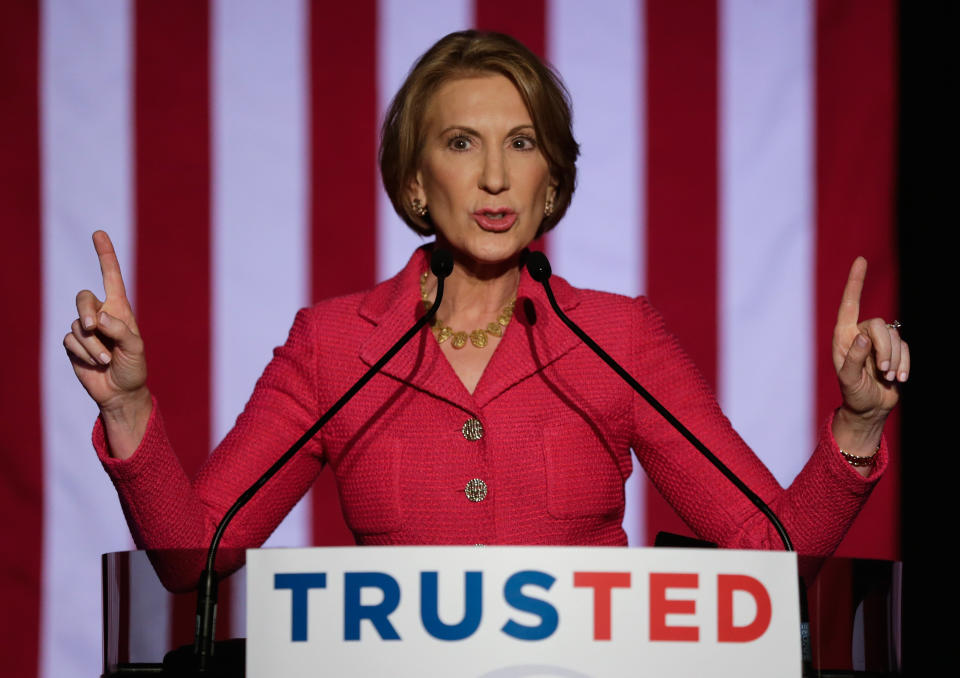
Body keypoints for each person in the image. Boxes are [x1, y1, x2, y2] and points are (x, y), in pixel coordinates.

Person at [64, 31, 907, 563]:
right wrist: (130, 409)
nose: (496, 177)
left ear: (551, 183)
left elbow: (771, 546)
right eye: (462, 143)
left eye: (523, 143)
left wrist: (859, 425)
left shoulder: (620, 336)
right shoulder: (332, 346)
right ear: (419, 183)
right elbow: (195, 555)